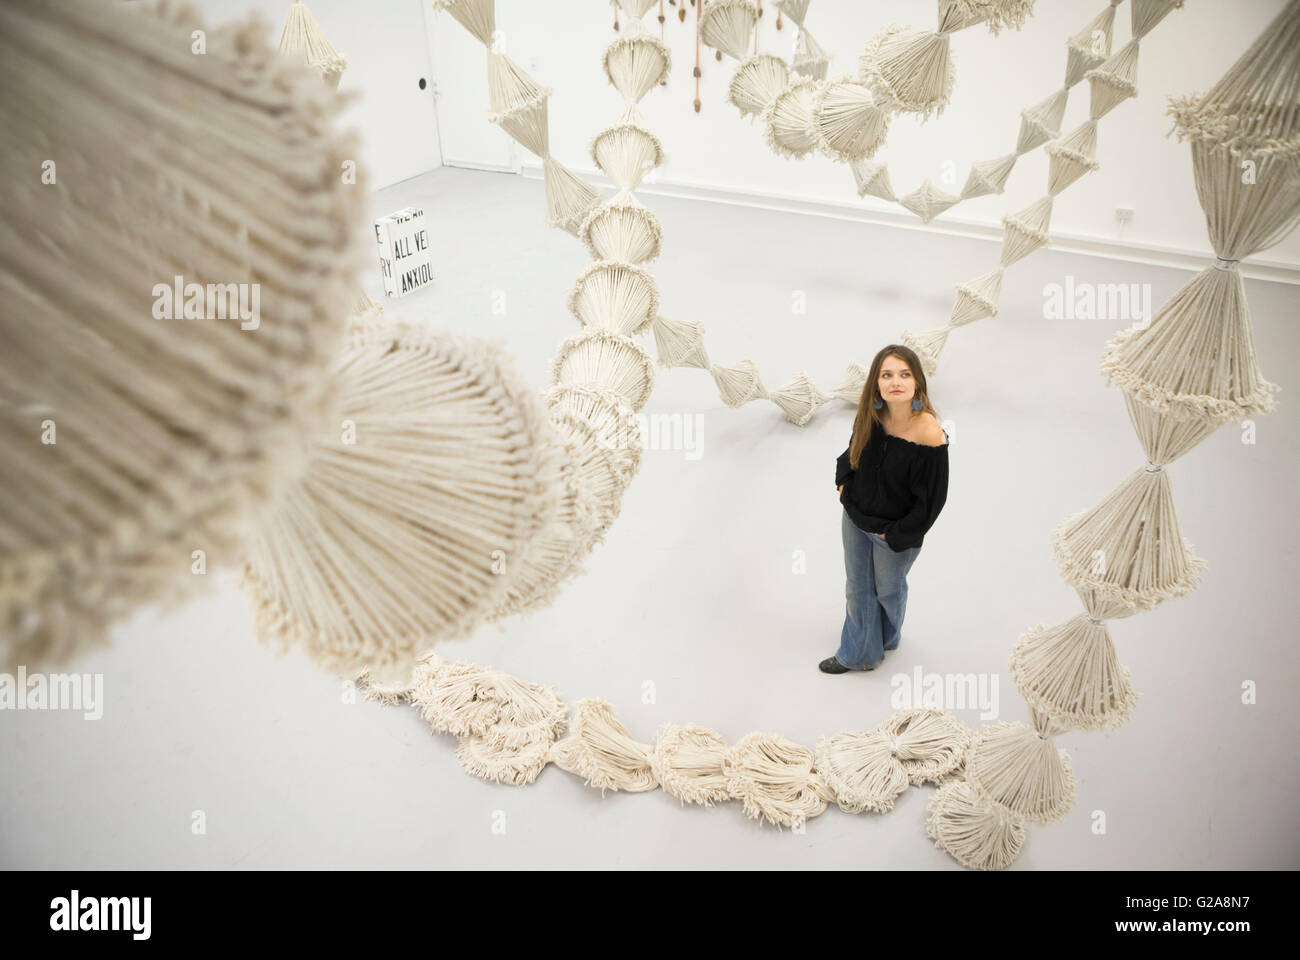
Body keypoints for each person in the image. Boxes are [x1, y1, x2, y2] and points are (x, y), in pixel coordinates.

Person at [820, 344, 949, 674]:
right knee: (858, 589)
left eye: (905, 374)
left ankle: (887, 637)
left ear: (917, 382)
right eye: (887, 374)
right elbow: (850, 454)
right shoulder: (872, 416)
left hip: (892, 533)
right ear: (876, 383)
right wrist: (844, 482)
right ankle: (859, 653)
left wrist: (894, 534)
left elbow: (933, 501)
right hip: (855, 518)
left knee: (889, 592)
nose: (896, 381)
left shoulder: (928, 431)